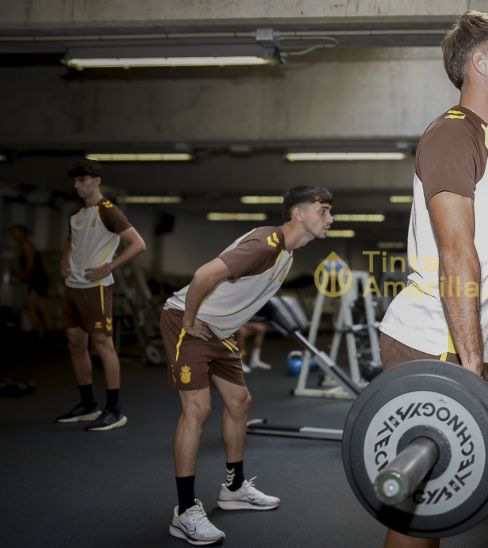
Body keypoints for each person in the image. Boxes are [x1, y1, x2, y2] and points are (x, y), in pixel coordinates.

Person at [378, 11, 488, 548]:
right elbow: (456, 254)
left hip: (456, 342)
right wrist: (470, 364)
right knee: (417, 512)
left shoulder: (486, 140)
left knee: (435, 506)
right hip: (430, 341)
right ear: (481, 63)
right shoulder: (453, 132)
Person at [161, 186, 333, 546]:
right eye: (323, 210)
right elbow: (204, 275)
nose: (330, 218)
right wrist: (190, 320)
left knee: (240, 402)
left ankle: (235, 488)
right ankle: (185, 510)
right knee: (197, 409)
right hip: (188, 322)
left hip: (220, 331)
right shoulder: (265, 244)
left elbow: (246, 290)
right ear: (298, 214)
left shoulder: (285, 255)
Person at [55, 159, 147, 431]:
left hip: (96, 288)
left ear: (96, 181)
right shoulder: (76, 215)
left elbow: (138, 244)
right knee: (75, 342)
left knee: (102, 343)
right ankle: (88, 405)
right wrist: (64, 257)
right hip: (73, 287)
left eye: (82, 180)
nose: (77, 185)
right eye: (75, 181)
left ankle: (115, 410)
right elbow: (71, 239)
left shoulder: (109, 211)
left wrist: (110, 266)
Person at [10, 224, 50, 337]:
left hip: (37, 280)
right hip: (36, 280)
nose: (13, 234)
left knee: (31, 306)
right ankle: (44, 332)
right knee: (38, 307)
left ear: (22, 233)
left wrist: (21, 278)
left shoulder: (26, 245)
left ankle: (38, 332)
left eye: (15, 232)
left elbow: (30, 265)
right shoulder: (22, 245)